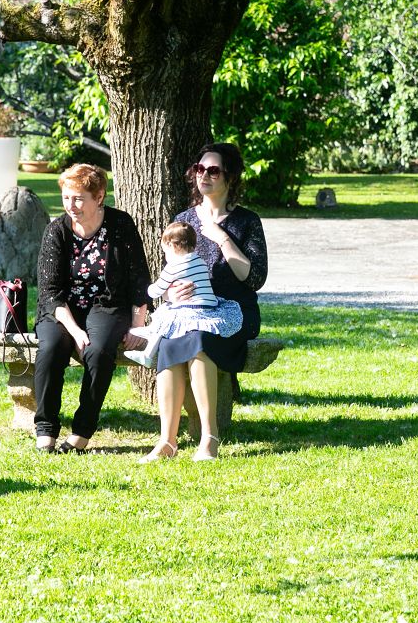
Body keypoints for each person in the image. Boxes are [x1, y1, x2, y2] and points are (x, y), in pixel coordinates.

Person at [140, 142, 268, 463]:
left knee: (199, 341)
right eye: (200, 169)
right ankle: (167, 441)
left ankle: (209, 439)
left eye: (213, 171)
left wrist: (221, 236)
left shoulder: (246, 221)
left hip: (234, 312)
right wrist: (170, 294)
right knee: (169, 344)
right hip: (189, 311)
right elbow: (170, 273)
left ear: (230, 177)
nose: (204, 176)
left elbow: (254, 278)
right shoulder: (183, 220)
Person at [34, 163, 151, 454]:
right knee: (51, 348)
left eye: (78, 198)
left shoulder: (120, 225)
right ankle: (45, 428)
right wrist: (75, 332)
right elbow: (50, 292)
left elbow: (139, 278)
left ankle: (82, 430)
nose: (70, 205)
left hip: (106, 304)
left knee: (97, 351)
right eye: (66, 198)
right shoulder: (56, 231)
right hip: (63, 308)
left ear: (99, 197)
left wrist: (138, 324)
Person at [123, 221, 243, 368]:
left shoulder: (174, 267)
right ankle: (151, 335)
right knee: (167, 318)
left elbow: (156, 291)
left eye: (165, 252)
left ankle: (147, 354)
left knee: (166, 318)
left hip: (190, 310)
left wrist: (149, 289)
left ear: (172, 246)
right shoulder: (200, 261)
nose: (165, 256)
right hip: (209, 309)